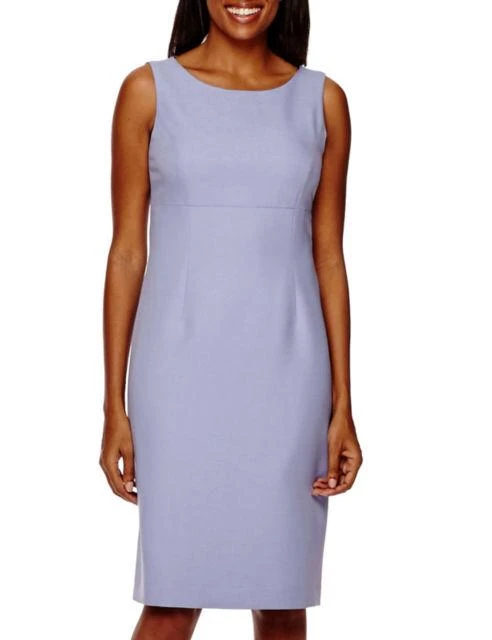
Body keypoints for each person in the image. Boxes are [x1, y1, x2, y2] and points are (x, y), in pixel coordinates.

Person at [100, 1, 362, 638]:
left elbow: (329, 257)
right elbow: (127, 252)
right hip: (178, 379)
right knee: (171, 602)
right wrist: (114, 407)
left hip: (288, 380)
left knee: (282, 600)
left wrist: (343, 406)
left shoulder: (323, 101)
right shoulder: (147, 91)